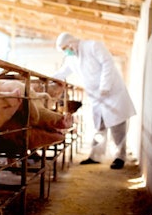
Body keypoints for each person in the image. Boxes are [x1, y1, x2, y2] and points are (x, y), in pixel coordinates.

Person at [52, 32, 136, 169]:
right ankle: (95, 156)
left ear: (71, 43)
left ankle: (120, 157)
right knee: (99, 126)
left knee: (118, 127)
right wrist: (46, 80)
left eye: (65, 48)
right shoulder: (71, 59)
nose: (65, 52)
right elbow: (61, 73)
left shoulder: (93, 46)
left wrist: (104, 87)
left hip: (112, 93)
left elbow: (108, 63)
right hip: (97, 98)